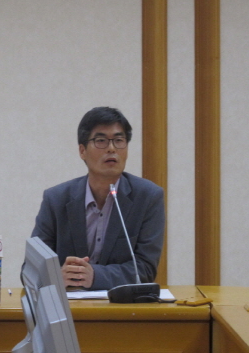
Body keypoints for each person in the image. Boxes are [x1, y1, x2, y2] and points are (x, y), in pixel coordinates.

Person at [31, 107, 164, 290]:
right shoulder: (56, 199)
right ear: (82, 151)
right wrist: (55, 276)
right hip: (69, 304)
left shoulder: (148, 197)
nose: (111, 148)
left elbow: (145, 269)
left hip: (121, 305)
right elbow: (31, 269)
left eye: (119, 140)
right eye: (101, 141)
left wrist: (94, 276)